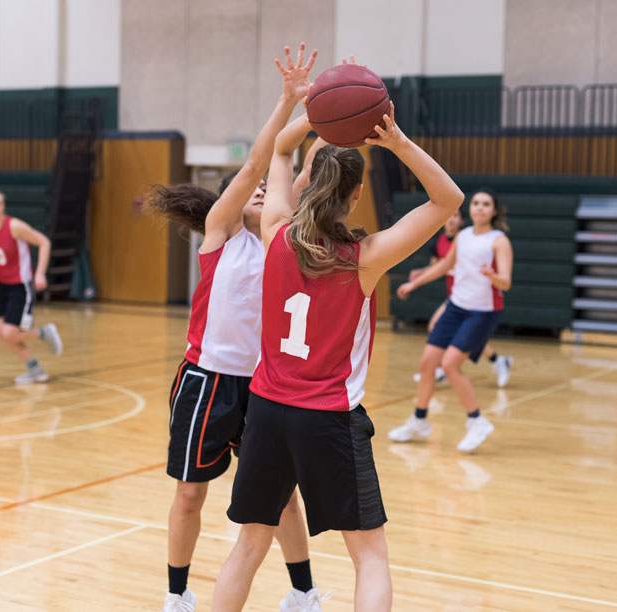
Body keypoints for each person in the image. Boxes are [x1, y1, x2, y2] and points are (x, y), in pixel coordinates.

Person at [210, 88, 464, 611]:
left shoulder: (274, 230)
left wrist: (312, 113)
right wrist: (396, 141)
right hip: (327, 418)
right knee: (370, 556)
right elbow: (448, 200)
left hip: (267, 412)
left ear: (311, 188)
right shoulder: (364, 258)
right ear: (356, 195)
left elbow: (278, 150)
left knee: (249, 546)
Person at [148, 44, 328, 612]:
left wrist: (325, 123)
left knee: (282, 499)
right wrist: (289, 103)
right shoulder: (221, 234)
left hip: (263, 386)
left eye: (263, 190)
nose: (255, 189)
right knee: (188, 494)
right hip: (206, 380)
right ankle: (177, 597)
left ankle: (304, 593)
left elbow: (298, 171)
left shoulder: (281, 236)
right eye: (243, 186)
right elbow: (259, 163)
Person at [389, 190, 513, 452]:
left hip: (482, 312)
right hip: (456, 307)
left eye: (486, 204)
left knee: (450, 365)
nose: (480, 208)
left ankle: (476, 421)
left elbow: (506, 281)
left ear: (493, 210)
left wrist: (492, 275)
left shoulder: (499, 241)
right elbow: (445, 266)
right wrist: (414, 284)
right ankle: (419, 421)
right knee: (427, 364)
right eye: (476, 203)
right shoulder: (463, 237)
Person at [409, 208, 513, 387]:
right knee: (458, 335)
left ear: (462, 221)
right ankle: (497, 360)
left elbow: (450, 265)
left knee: (439, 327)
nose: (451, 220)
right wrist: (420, 274)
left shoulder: (469, 240)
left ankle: (442, 368)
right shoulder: (440, 242)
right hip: (456, 296)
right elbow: (439, 266)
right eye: (448, 215)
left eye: (455, 215)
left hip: (473, 298)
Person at [0, 189, 62, 384]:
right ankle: (35, 369)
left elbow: (44, 242)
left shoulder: (15, 226)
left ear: (3, 207)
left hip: (20, 286)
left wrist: (39, 273)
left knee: (9, 333)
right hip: (0, 286)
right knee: (1, 333)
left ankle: (44, 333)